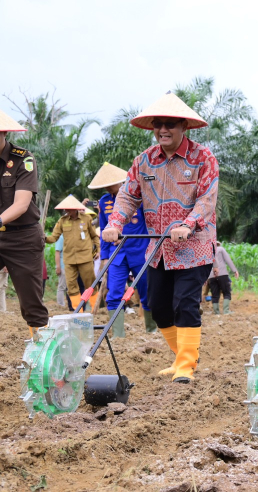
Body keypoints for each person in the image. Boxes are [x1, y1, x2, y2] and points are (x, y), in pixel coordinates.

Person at [103, 92, 219, 384]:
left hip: (194, 246)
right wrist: (115, 223)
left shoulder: (202, 158)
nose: (163, 130)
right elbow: (128, 196)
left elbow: (207, 199)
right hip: (158, 249)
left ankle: (186, 366)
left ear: (184, 127)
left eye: (170, 124)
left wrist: (188, 224)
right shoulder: (143, 161)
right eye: (158, 124)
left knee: (185, 303)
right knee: (159, 308)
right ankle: (182, 356)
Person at [0, 108, 50, 334]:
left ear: (4, 133)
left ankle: (41, 347)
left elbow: (21, 204)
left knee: (31, 302)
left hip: (23, 237)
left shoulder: (23, 159)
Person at [90, 162, 154, 336]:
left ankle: (152, 330)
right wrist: (105, 257)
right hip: (117, 254)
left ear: (120, 182)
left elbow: (150, 224)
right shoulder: (104, 202)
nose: (107, 188)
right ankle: (118, 335)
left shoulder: (139, 198)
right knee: (114, 293)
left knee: (146, 291)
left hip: (140, 251)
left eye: (110, 184)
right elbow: (103, 231)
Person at [46, 196, 100, 310]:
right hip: (69, 259)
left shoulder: (86, 219)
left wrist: (98, 251)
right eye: (65, 208)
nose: (67, 210)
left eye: (69, 208)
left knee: (90, 283)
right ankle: (77, 310)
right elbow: (53, 238)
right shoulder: (62, 221)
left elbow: (94, 236)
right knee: (71, 285)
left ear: (75, 208)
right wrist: (43, 238)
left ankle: (94, 309)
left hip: (85, 257)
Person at [210, 240, 239, 314]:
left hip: (211, 276)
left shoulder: (207, 251)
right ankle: (226, 311)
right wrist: (234, 270)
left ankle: (216, 312)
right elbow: (228, 260)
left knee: (215, 295)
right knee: (226, 292)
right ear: (218, 244)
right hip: (222, 274)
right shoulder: (221, 249)